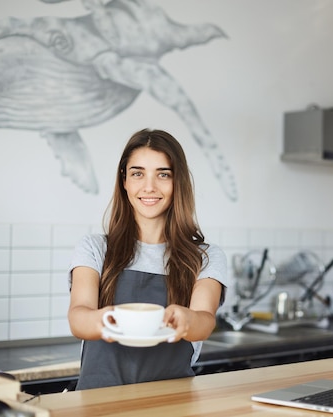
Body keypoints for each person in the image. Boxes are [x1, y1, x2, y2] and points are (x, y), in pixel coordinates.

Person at [67, 128, 227, 390]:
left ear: (178, 182)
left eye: (163, 174)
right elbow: (78, 317)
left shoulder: (205, 257)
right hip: (98, 402)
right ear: (125, 181)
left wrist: (187, 320)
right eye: (138, 173)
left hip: (171, 403)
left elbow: (204, 320)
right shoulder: (95, 248)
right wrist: (106, 320)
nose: (149, 187)